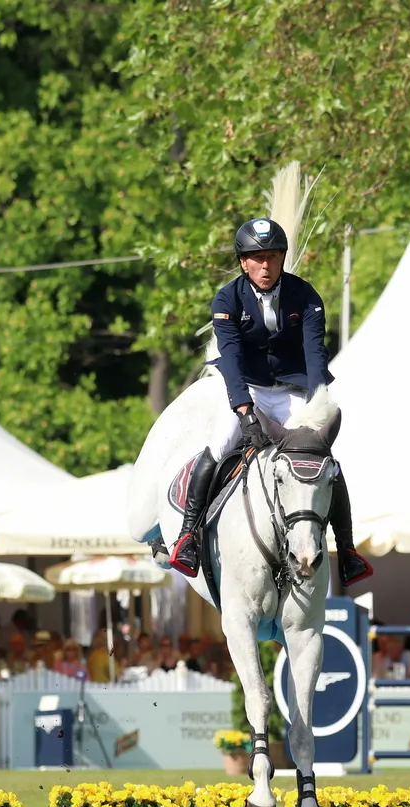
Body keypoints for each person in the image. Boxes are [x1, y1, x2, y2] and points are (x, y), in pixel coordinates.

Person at [165, 217, 373, 591]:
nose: (265, 266)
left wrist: (317, 405)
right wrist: (243, 409)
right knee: (220, 445)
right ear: (243, 262)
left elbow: (315, 354)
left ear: (282, 259)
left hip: (292, 389)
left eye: (273, 257)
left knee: (324, 458)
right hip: (251, 388)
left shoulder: (306, 296)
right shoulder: (227, 300)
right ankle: (187, 537)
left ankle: (347, 549)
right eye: (257, 258)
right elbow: (229, 357)